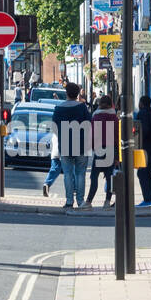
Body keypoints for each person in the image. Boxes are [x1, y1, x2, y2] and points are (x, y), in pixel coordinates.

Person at [52, 82, 92, 211]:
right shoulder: (82, 107)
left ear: (67, 93)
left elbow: (54, 127)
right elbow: (88, 125)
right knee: (81, 174)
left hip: (65, 145)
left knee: (68, 174)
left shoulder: (59, 108)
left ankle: (69, 201)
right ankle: (80, 201)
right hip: (81, 145)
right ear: (77, 94)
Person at [87, 95, 118, 208]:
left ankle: (89, 201)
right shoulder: (115, 117)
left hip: (99, 149)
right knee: (109, 176)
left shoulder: (96, 116)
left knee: (94, 176)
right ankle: (107, 201)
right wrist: (117, 156)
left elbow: (92, 134)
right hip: (111, 149)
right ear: (111, 104)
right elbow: (117, 136)